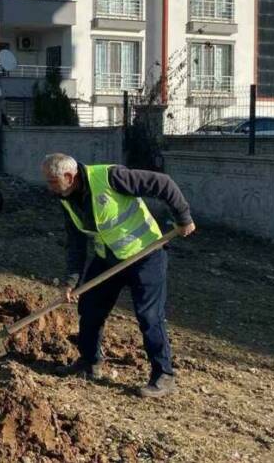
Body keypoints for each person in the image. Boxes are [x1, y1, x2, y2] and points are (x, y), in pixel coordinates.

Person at [41, 153, 195, 399]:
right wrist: (72, 281)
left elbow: (163, 183)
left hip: (145, 255)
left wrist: (183, 217)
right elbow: (76, 243)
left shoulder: (111, 177)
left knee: (149, 316)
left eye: (51, 181)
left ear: (69, 177)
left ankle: (164, 375)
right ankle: (89, 362)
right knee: (90, 307)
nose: (49, 187)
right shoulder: (66, 197)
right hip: (109, 259)